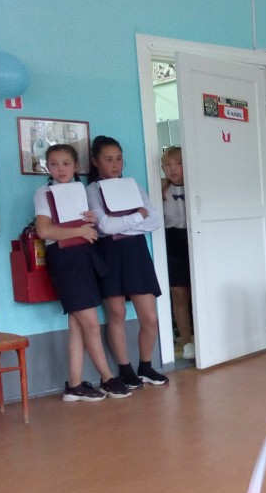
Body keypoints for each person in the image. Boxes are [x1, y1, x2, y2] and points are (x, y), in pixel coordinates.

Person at [33, 144, 131, 402]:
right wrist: (80, 230)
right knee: (90, 322)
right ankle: (108, 378)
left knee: (77, 324)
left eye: (66, 163)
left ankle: (74, 385)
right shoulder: (44, 192)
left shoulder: (79, 190)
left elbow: (91, 228)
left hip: (84, 256)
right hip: (65, 260)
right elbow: (44, 230)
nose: (60, 169)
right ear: (47, 167)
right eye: (54, 164)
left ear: (75, 166)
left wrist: (89, 221)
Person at [86, 136, 168, 389]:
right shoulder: (92, 190)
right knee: (117, 313)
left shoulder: (134, 186)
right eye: (108, 159)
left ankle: (146, 366)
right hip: (109, 253)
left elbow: (154, 221)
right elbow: (105, 227)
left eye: (119, 159)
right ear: (96, 161)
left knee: (150, 316)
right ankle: (124, 369)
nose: (115, 164)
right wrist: (136, 218)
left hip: (136, 252)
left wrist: (122, 226)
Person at [160, 147, 194, 361]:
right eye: (167, 165)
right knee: (179, 294)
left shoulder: (196, 187)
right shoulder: (161, 191)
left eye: (178, 163)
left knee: (198, 292)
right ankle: (187, 342)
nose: (173, 169)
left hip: (195, 240)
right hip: (172, 243)